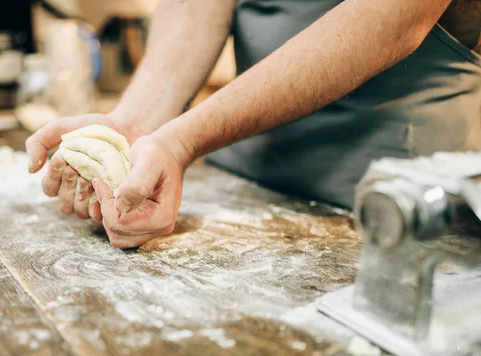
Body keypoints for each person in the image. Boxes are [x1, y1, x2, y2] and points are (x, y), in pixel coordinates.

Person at [26, 0, 481, 249]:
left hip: (400, 209)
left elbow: (390, 17)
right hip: (249, 193)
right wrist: (135, 124)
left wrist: (183, 140)